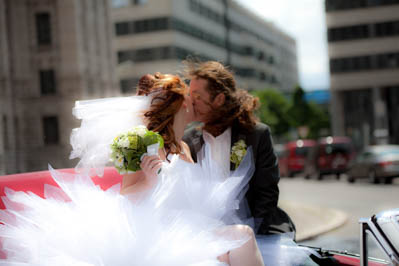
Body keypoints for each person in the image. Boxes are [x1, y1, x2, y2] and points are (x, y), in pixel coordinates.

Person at [0, 73, 266, 266]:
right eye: (187, 102)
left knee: (241, 236)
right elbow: (126, 197)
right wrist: (149, 182)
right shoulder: (141, 144)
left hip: (191, 226)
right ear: (177, 108)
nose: (192, 108)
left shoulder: (185, 147)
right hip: (157, 231)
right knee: (238, 239)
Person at [182, 60, 296, 237]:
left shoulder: (256, 135)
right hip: (205, 235)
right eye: (190, 96)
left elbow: (267, 193)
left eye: (197, 97)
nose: (191, 103)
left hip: (253, 232)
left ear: (219, 99)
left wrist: (251, 237)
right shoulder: (187, 140)